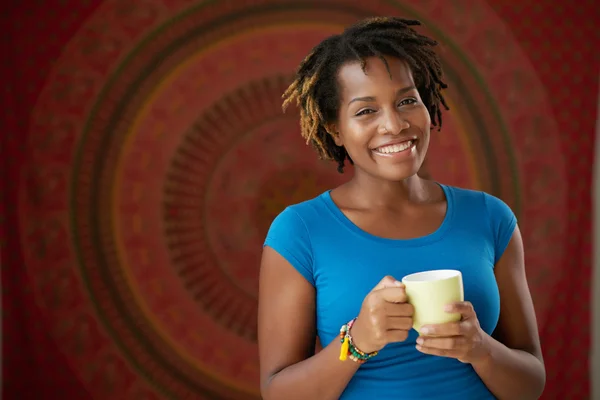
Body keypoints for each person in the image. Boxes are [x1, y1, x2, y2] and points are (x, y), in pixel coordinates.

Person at [257, 17, 545, 400]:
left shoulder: (490, 218)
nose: (394, 125)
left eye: (407, 101)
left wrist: (481, 349)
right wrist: (356, 342)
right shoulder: (300, 231)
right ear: (335, 130)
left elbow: (531, 384)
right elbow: (278, 392)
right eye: (365, 111)